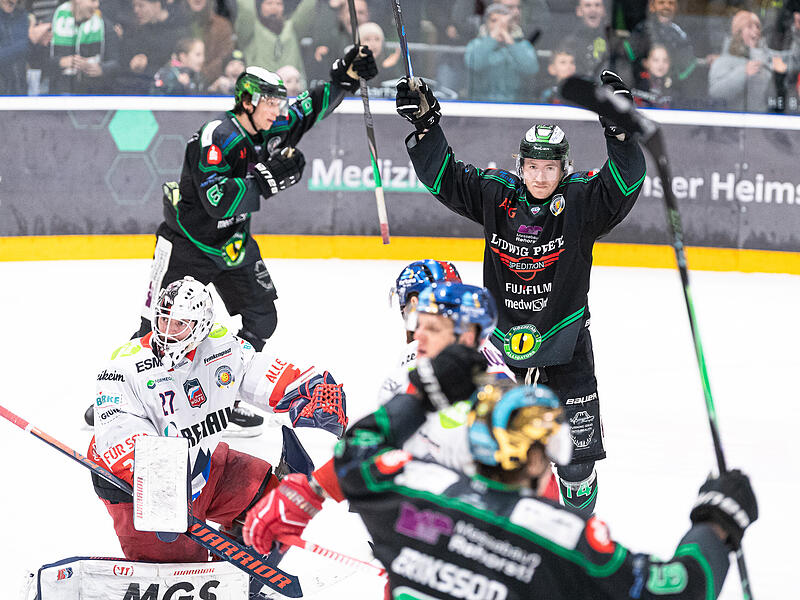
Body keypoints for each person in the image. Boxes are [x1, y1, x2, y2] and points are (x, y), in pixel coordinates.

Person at [243, 345, 758, 600]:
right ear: (539, 459)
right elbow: (679, 588)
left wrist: (425, 390)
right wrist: (716, 525)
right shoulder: (568, 538)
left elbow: (359, 450)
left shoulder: (406, 488)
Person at [82, 49, 377, 434]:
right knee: (158, 329)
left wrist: (344, 78)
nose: (277, 109)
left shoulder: (271, 125)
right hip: (187, 244)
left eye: (278, 102)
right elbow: (215, 201)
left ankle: (224, 392)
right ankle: (121, 399)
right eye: (270, 102)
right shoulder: (215, 138)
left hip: (233, 244)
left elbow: (307, 109)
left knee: (262, 318)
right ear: (248, 101)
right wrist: (266, 181)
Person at [394, 69, 647, 516]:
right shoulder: (498, 195)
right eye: (533, 167)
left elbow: (623, 184)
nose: (541, 176)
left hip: (567, 347)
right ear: (521, 167)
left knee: (576, 462)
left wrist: (619, 132)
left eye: (550, 168)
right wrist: (426, 127)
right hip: (501, 350)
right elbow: (447, 179)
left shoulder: (581, 200)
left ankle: (575, 536)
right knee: (496, 450)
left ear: (564, 168)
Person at [88, 276, 347, 571]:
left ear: (201, 325)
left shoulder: (221, 347)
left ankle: (237, 571)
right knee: (181, 569)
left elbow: (258, 371)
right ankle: (190, 573)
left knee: (275, 505)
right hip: (136, 490)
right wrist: (162, 486)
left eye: (179, 323)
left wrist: (306, 389)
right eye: (163, 320)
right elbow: (117, 436)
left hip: (200, 465)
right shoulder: (123, 367)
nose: (167, 332)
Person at [708, 10, 793, 113]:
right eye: (749, 27)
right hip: (733, 119)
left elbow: (777, 94)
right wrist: (743, 73)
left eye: (757, 27)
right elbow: (716, 93)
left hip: (765, 118)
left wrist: (779, 73)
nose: (755, 30)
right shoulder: (724, 60)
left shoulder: (767, 57)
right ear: (739, 31)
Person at [463, 3, 539, 102]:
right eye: (494, 21)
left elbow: (531, 68)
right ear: (486, 23)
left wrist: (510, 42)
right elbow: (474, 64)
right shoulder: (476, 44)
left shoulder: (522, 45)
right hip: (481, 102)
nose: (499, 26)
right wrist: (492, 39)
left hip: (516, 103)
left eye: (503, 22)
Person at [47, 0, 121, 94]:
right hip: (58, 94)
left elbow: (116, 62)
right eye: (93, 1)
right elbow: (36, 61)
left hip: (93, 94)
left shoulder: (104, 24)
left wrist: (102, 69)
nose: (97, 4)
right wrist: (60, 62)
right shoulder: (53, 21)